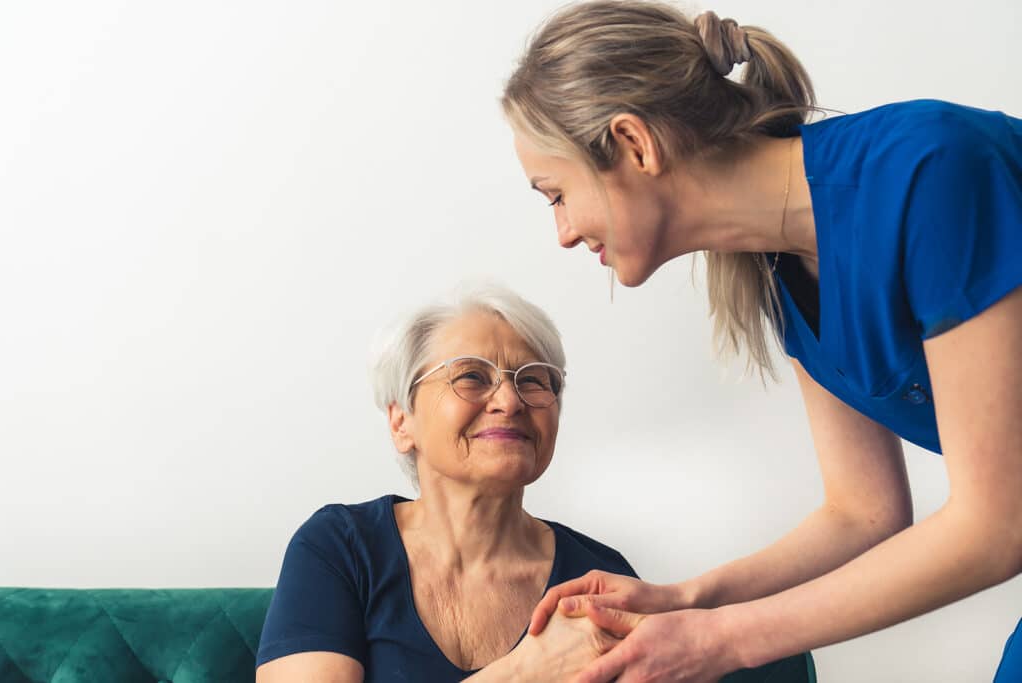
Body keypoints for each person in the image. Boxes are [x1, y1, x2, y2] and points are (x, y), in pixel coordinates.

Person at [502, 1, 1022, 682]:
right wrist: (684, 600)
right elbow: (863, 511)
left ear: (634, 143)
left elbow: (996, 524)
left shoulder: (932, 173)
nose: (563, 232)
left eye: (556, 194)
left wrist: (723, 639)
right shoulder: (783, 269)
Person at [254, 283, 811, 682]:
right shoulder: (339, 547)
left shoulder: (602, 577)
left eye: (536, 381)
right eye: (472, 376)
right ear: (402, 421)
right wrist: (528, 671)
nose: (511, 400)